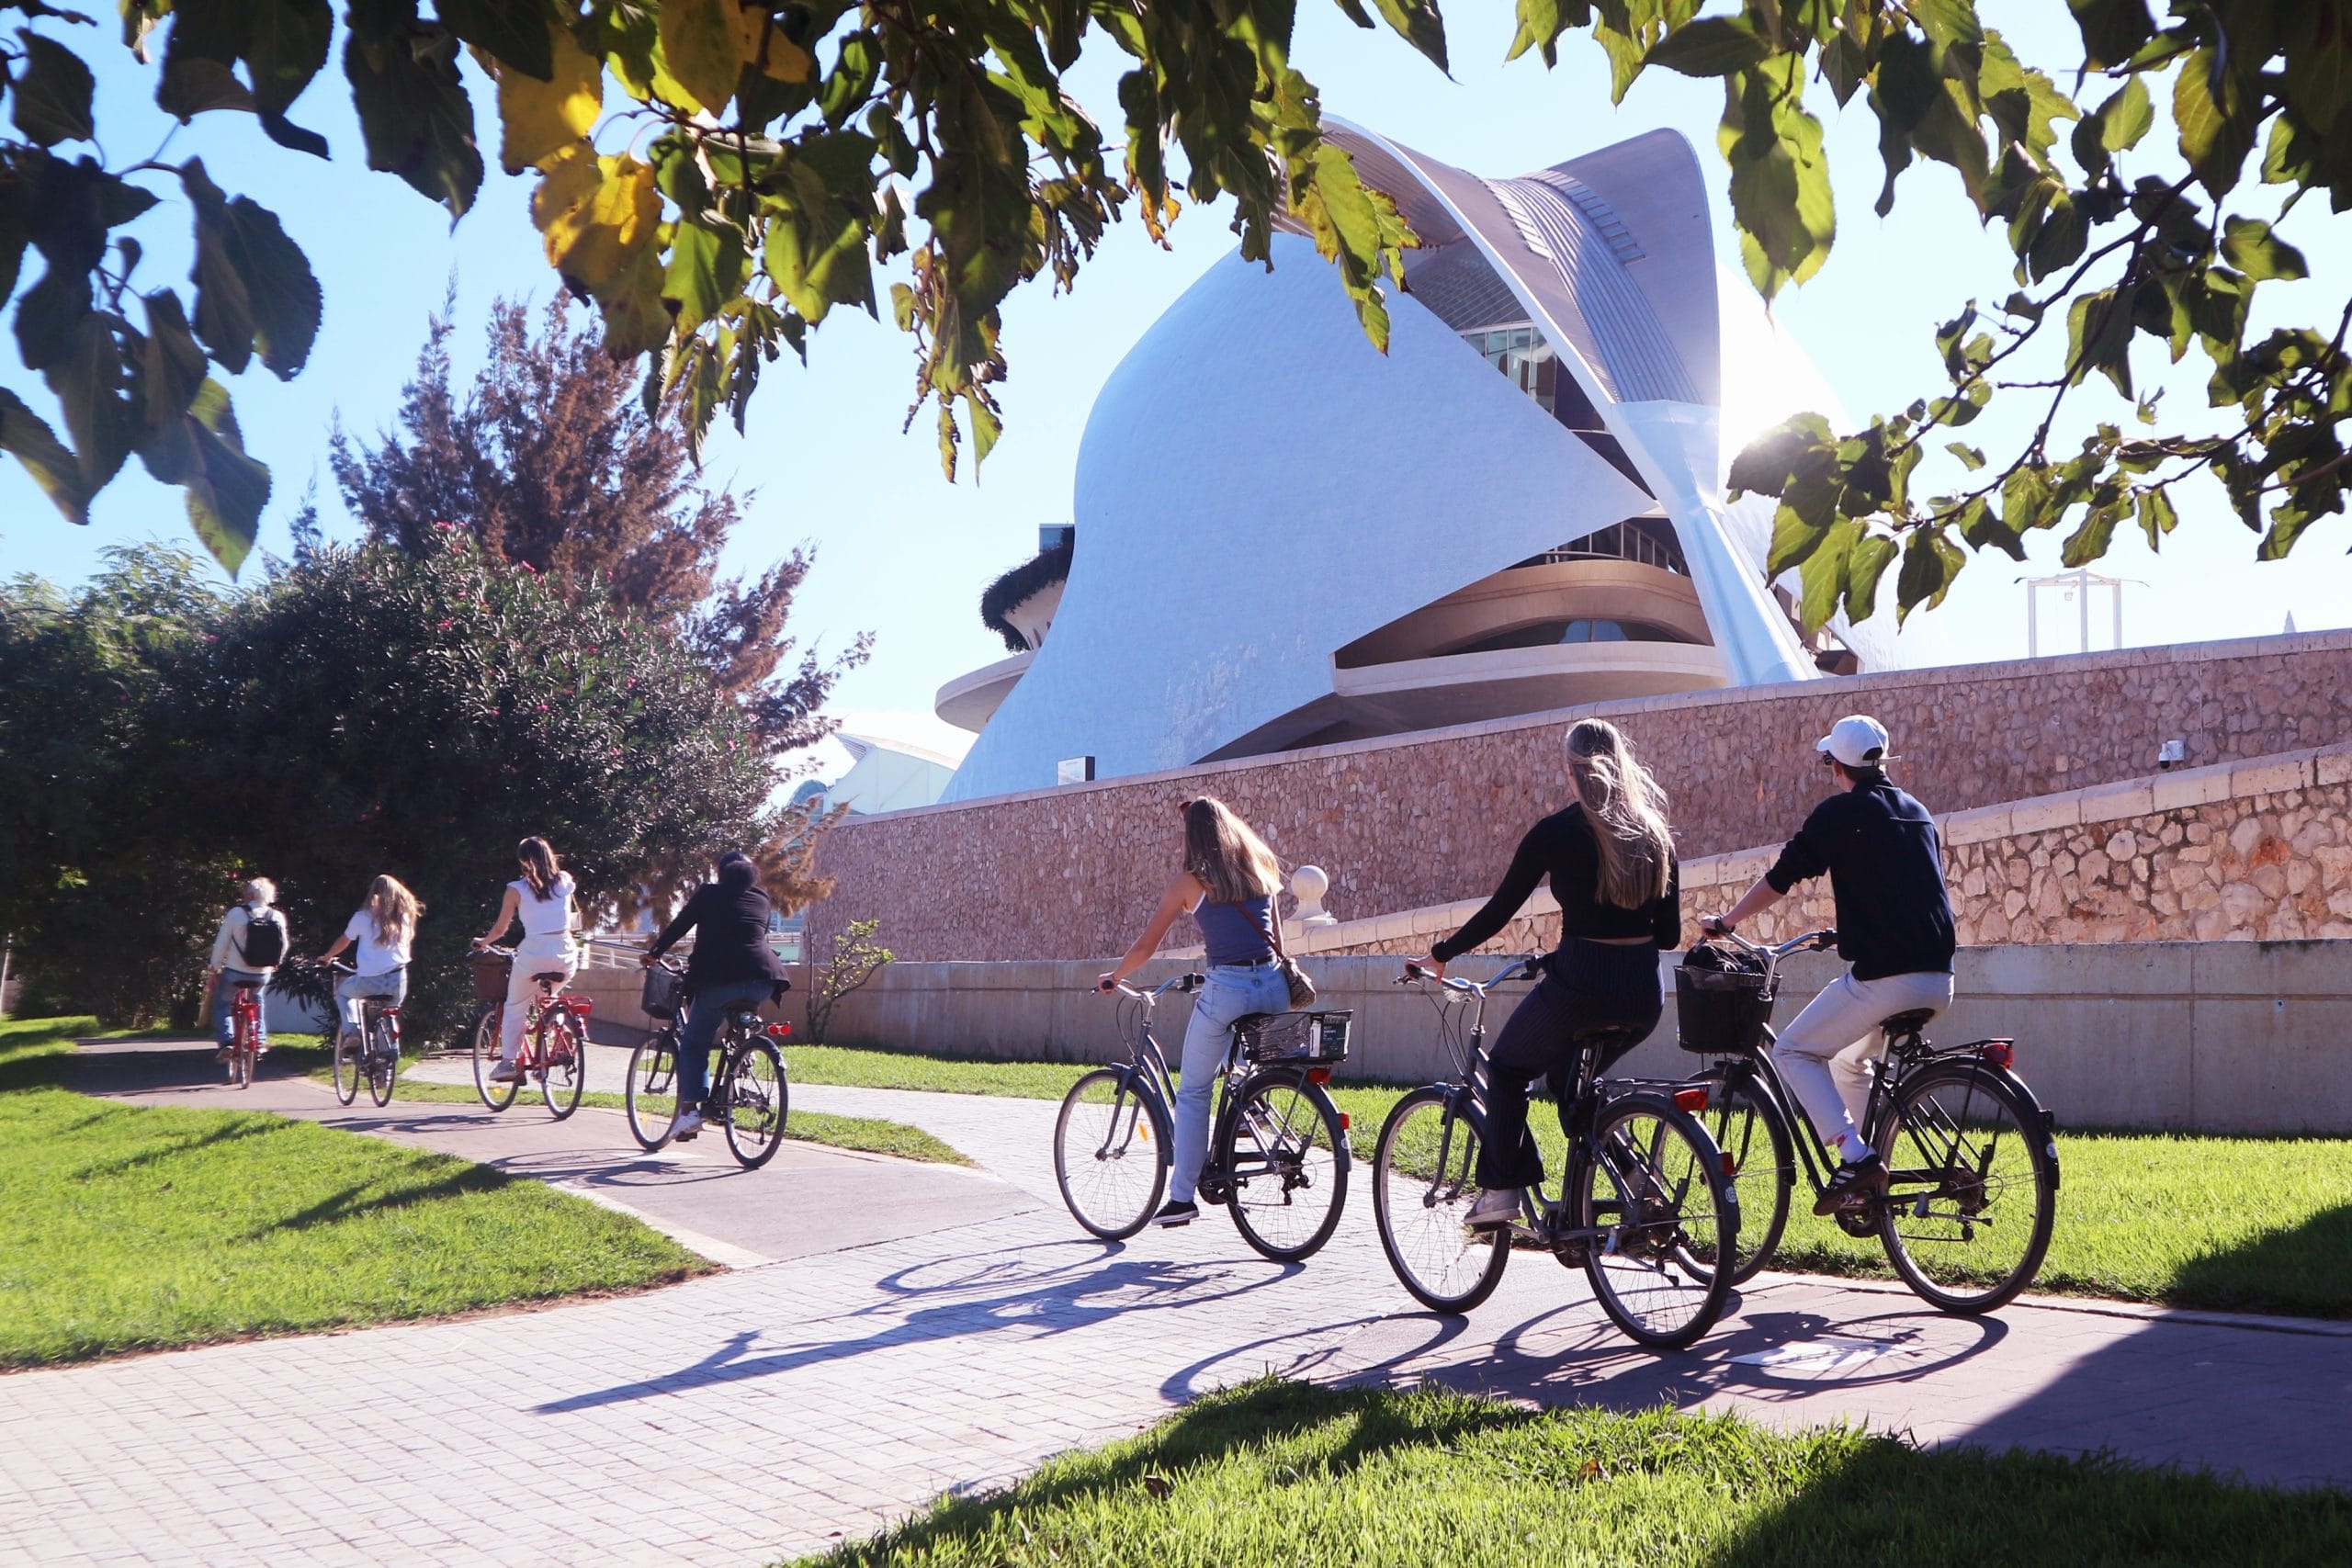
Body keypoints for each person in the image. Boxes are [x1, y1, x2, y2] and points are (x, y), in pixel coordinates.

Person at [1419, 719, 1682, 1229]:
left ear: (1569, 770)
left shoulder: (1556, 832)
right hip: (1643, 994)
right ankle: (1630, 1176)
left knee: (1509, 1069)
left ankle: (1500, 1191)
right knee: (1568, 1083)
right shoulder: (1654, 833)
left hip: (1581, 984)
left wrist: (1442, 953)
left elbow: (1500, 911)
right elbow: (1668, 937)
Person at [1702, 714, 1957, 1216]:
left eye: (1827, 764)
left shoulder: (1840, 813)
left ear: (1836, 765)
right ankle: (1858, 1180)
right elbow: (1910, 889)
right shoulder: (1917, 812)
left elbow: (1782, 878)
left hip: (1886, 979)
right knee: (1849, 1060)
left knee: (1794, 1050)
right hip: (1939, 977)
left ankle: (1855, 1157)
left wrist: (1728, 923)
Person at [1098, 797, 1295, 1228]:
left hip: (1228, 986)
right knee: (1239, 1061)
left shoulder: (1190, 882)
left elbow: (1148, 946)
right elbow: (1276, 937)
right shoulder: (1261, 863)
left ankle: (1182, 1198)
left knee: (1193, 1092)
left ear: (1193, 836)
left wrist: (1115, 975)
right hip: (1275, 985)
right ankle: (1251, 1106)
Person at [640, 851, 790, 1141]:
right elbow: (754, 931)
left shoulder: (708, 895)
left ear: (721, 874)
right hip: (764, 978)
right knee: (736, 1020)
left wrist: (654, 953)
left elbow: (680, 925)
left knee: (695, 1043)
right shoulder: (762, 898)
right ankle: (743, 1056)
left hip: (720, 980)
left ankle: (690, 1113)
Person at [472, 837, 579, 1085]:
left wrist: (484, 942)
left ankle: (509, 1061)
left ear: (523, 860)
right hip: (565, 952)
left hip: (534, 953)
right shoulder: (565, 881)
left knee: (515, 1006)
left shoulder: (516, 889)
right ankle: (559, 1037)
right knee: (549, 1000)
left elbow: (501, 929)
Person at [316, 875, 423, 1058]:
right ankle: (385, 1064)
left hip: (369, 980)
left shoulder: (363, 917)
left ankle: (352, 1033)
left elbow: (345, 940)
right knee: (389, 1011)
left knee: (343, 991)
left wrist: (327, 957)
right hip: (398, 979)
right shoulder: (405, 918)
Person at [206, 878, 288, 1063]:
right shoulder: (276, 916)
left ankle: (227, 1042)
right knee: (257, 1000)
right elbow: (284, 945)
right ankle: (259, 1041)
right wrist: (276, 962)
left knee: (222, 1003)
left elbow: (221, 943)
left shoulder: (236, 913)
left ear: (250, 894)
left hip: (235, 971)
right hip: (262, 973)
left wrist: (215, 967)